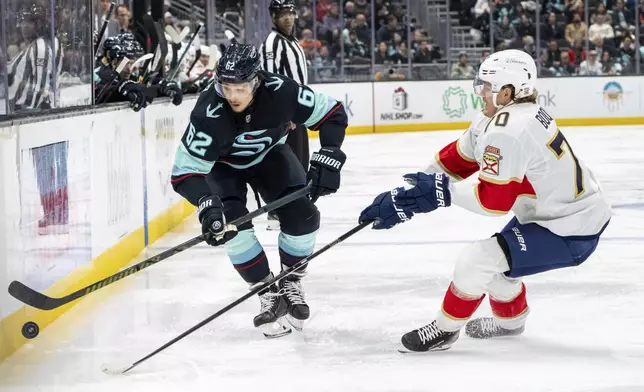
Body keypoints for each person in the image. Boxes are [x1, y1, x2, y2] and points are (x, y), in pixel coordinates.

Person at [358, 49, 611, 352]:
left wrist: (440, 192)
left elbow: (494, 201)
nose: (480, 92)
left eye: (487, 86)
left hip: (571, 228)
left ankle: (445, 330)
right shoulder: (505, 116)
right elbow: (460, 157)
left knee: (477, 260)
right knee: (496, 267)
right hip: (550, 213)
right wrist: (408, 196)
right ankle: (511, 322)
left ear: (508, 91)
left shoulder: (510, 128)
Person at [171, 43, 347, 337]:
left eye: (240, 88)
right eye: (226, 87)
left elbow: (332, 113)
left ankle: (290, 279)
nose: (232, 96)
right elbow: (184, 173)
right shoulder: (208, 112)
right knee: (231, 226)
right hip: (222, 168)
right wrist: (205, 202)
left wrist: (329, 155)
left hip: (270, 157)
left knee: (303, 217)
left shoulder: (282, 91)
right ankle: (267, 290)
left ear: (256, 81)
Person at [260, 0, 310, 230]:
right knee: (283, 162)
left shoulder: (292, 41)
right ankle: (278, 210)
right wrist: (282, 112)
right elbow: (269, 79)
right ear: (273, 17)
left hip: (296, 111)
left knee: (299, 160)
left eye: (290, 13)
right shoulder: (272, 43)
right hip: (285, 114)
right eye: (282, 14)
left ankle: (295, 205)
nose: (288, 18)